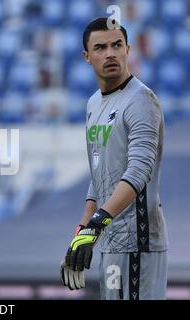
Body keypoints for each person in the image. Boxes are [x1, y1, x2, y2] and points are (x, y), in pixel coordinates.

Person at [60, 17, 168, 300]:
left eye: (116, 45)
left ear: (128, 50)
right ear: (87, 56)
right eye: (100, 47)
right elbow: (99, 176)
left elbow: (139, 171)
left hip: (138, 243)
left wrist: (96, 225)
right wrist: (81, 234)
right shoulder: (94, 103)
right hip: (111, 240)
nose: (110, 53)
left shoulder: (141, 100)